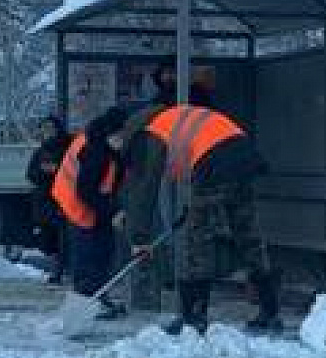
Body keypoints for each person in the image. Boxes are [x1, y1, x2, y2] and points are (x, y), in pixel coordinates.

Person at [112, 98, 282, 335]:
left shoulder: (151, 133)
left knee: (197, 241)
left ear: (127, 130)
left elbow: (145, 189)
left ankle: (193, 316)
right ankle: (271, 311)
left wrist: (139, 238)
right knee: (248, 236)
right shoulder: (173, 118)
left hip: (214, 164)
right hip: (242, 157)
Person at [53, 105, 132, 319]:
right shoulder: (95, 149)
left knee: (104, 251)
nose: (124, 138)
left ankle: (98, 298)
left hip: (95, 204)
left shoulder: (107, 145)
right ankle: (83, 305)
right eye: (122, 134)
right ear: (113, 131)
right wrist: (112, 212)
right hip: (78, 205)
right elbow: (85, 190)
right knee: (88, 256)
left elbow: (110, 181)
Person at [26, 115, 72, 284]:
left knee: (62, 236)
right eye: (43, 129)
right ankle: (57, 268)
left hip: (61, 199)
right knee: (47, 239)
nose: (46, 132)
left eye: (50, 128)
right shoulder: (40, 151)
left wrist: (57, 170)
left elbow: (72, 172)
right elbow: (30, 174)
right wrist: (42, 171)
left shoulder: (66, 148)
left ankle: (59, 271)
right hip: (43, 201)